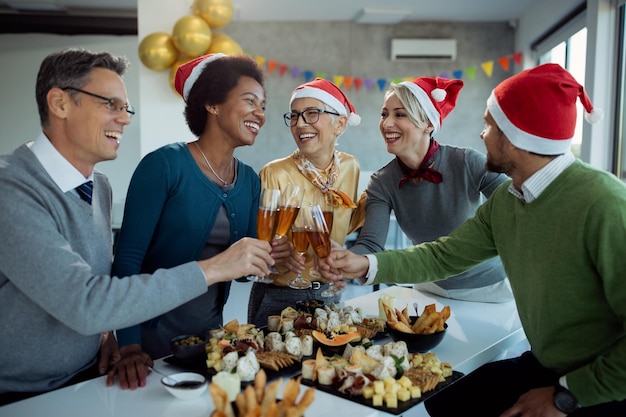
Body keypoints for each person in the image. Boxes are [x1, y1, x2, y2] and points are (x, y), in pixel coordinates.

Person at [321, 63, 626, 416]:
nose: (482, 135)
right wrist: (368, 262)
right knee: (442, 399)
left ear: (517, 136)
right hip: (549, 365)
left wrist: (566, 396)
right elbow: (443, 256)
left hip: (601, 382)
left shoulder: (603, 202)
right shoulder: (509, 200)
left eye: (489, 125)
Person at [0, 48, 274, 405]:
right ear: (60, 103)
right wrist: (215, 267)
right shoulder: (11, 189)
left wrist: (105, 338)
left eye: (125, 108)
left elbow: (95, 280)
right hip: (20, 394)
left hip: (89, 376)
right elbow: (85, 302)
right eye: (110, 104)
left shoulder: (98, 186)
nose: (125, 119)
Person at [109, 53, 289, 389]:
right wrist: (128, 343)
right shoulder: (163, 166)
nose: (260, 114)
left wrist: (275, 255)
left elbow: (247, 266)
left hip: (210, 341)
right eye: (250, 101)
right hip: (150, 343)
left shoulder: (249, 179)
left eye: (263, 105)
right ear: (212, 104)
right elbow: (128, 259)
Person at [350, 76, 512, 303]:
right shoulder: (381, 182)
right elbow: (370, 244)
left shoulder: (467, 162)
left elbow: (515, 205)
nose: (387, 123)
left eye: (400, 114)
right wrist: (343, 260)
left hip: (489, 290)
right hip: (429, 288)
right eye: (384, 114)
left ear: (428, 123)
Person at [247, 78, 364, 327]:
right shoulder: (274, 173)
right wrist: (276, 254)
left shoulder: (350, 167)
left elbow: (347, 225)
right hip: (279, 295)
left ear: (340, 124)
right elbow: (260, 240)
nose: (300, 124)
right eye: (294, 116)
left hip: (329, 291)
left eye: (311, 114)